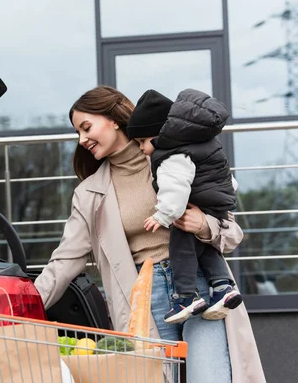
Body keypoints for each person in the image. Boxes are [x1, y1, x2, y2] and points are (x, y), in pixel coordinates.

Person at [34, 86, 265, 382]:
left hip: (201, 287)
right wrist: (24, 302)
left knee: (210, 376)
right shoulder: (88, 194)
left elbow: (232, 234)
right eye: (78, 133)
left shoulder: (178, 159)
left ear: (113, 118)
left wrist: (203, 225)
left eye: (86, 127)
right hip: (145, 297)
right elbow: (65, 261)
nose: (82, 140)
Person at [126, 88, 243, 324]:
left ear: (159, 134)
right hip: (216, 198)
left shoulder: (171, 155)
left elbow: (175, 188)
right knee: (205, 243)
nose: (141, 148)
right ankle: (222, 286)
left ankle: (186, 296)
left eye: (142, 141)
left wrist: (163, 215)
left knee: (180, 244)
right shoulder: (200, 142)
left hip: (200, 201)